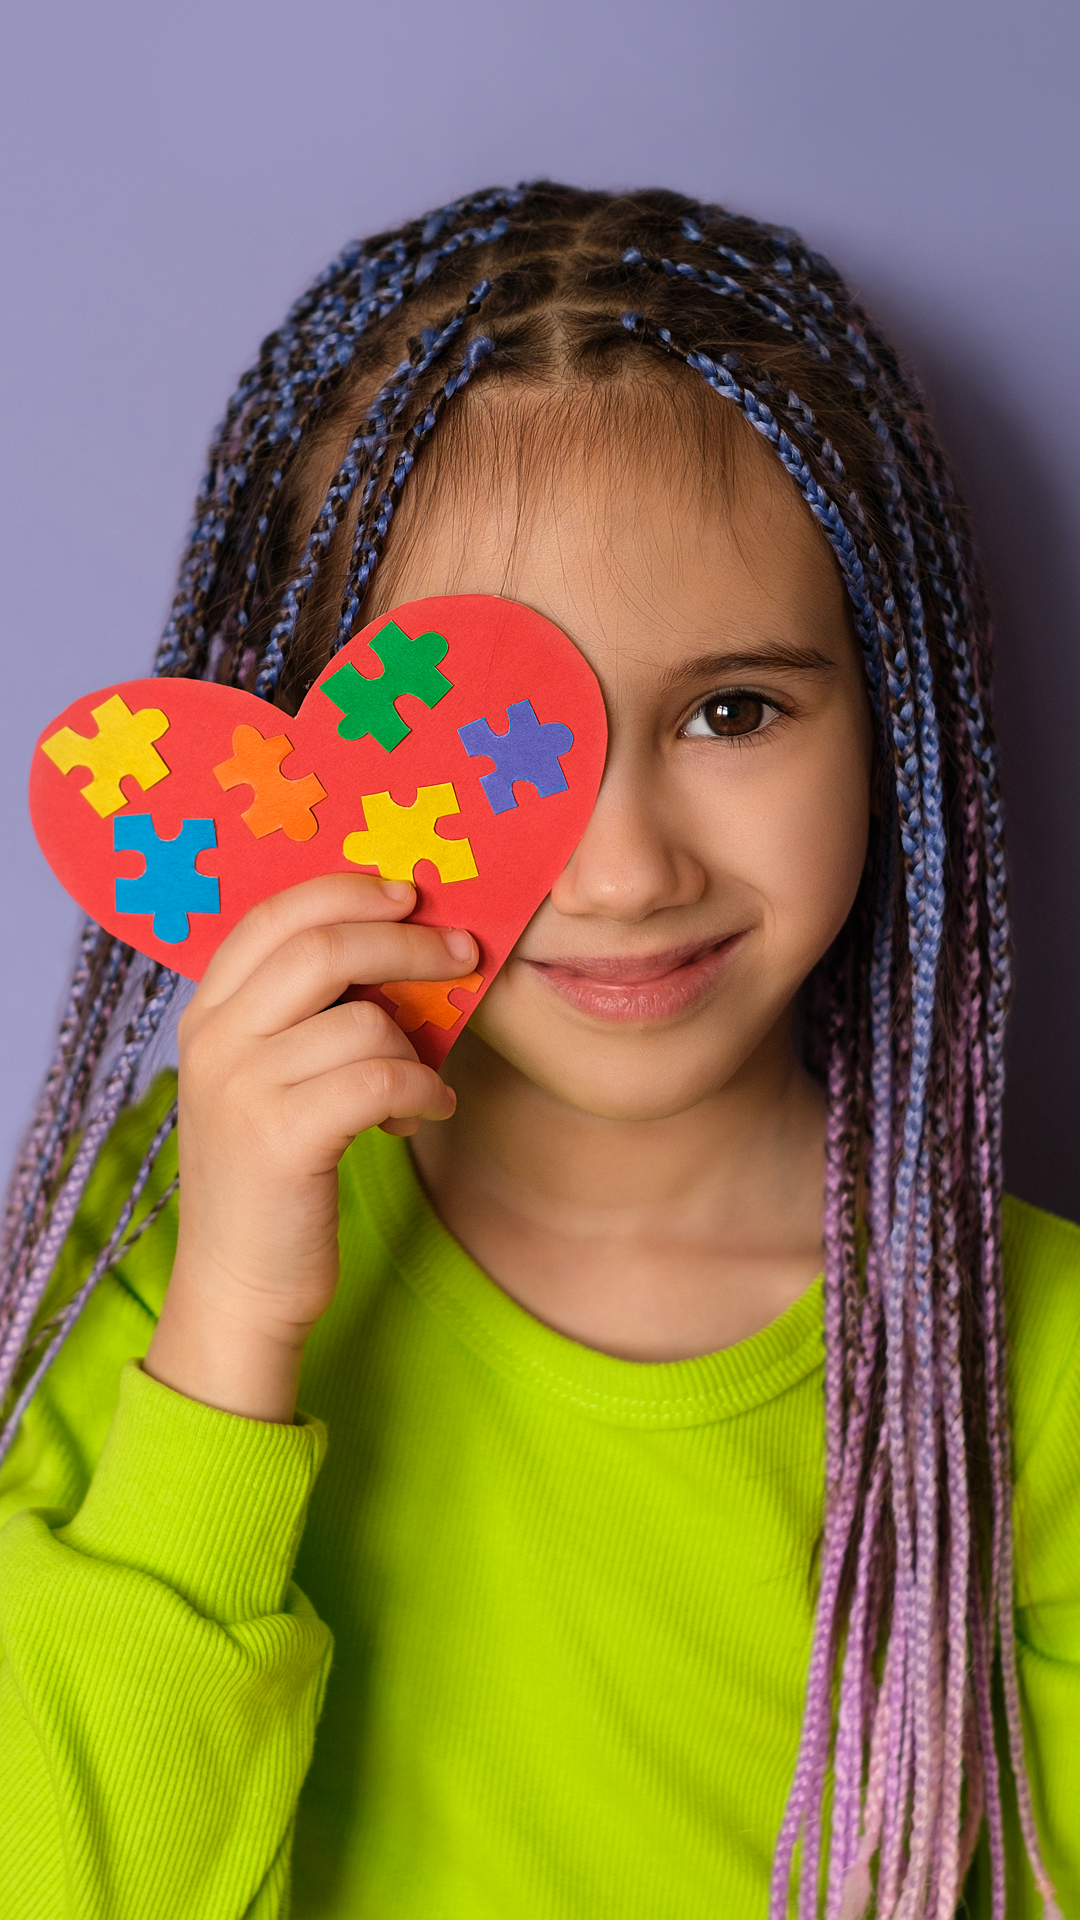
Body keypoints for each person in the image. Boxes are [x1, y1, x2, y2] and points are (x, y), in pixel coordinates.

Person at [0, 182, 1076, 1920]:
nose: (628, 868)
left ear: (890, 720)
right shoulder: (146, 1261)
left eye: (735, 710)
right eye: (497, 745)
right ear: (292, 771)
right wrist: (234, 1337)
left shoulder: (1033, 1373)